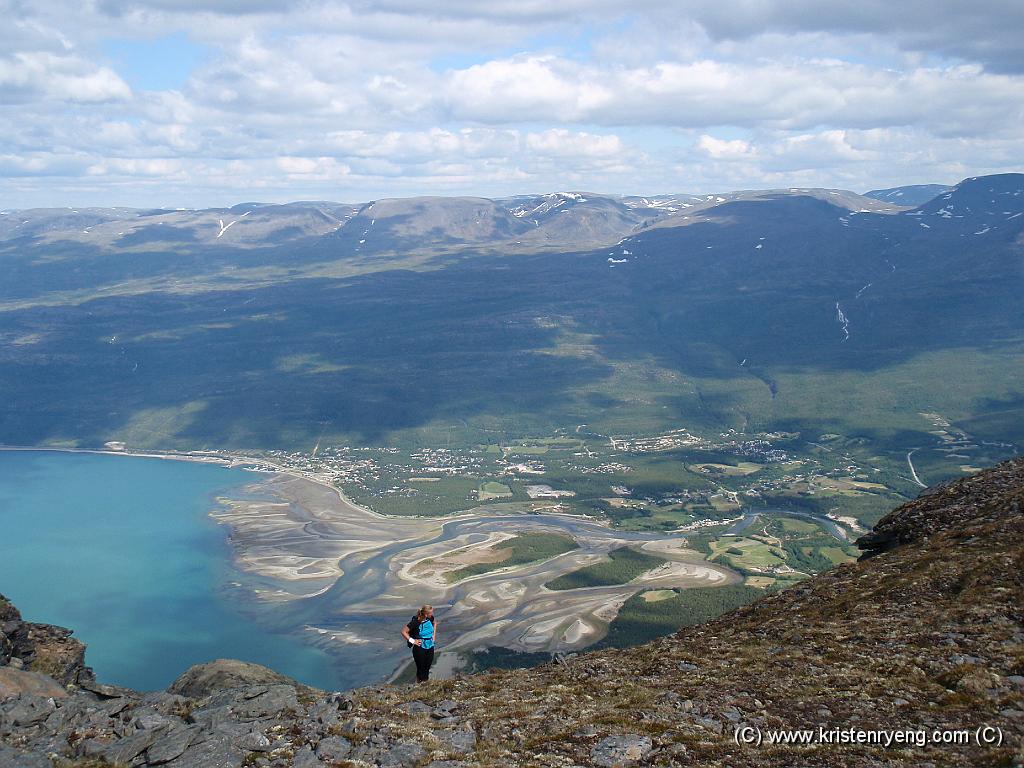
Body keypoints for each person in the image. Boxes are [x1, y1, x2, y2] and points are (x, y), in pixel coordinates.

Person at [401, 604, 437, 683]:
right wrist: (413, 641)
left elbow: (435, 623)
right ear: (425, 614)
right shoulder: (415, 622)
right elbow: (403, 631)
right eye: (431, 613)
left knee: (427, 667)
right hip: (419, 647)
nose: (432, 614)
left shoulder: (430, 618)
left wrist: (433, 636)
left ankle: (425, 684)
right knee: (421, 668)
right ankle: (420, 685)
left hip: (430, 646)